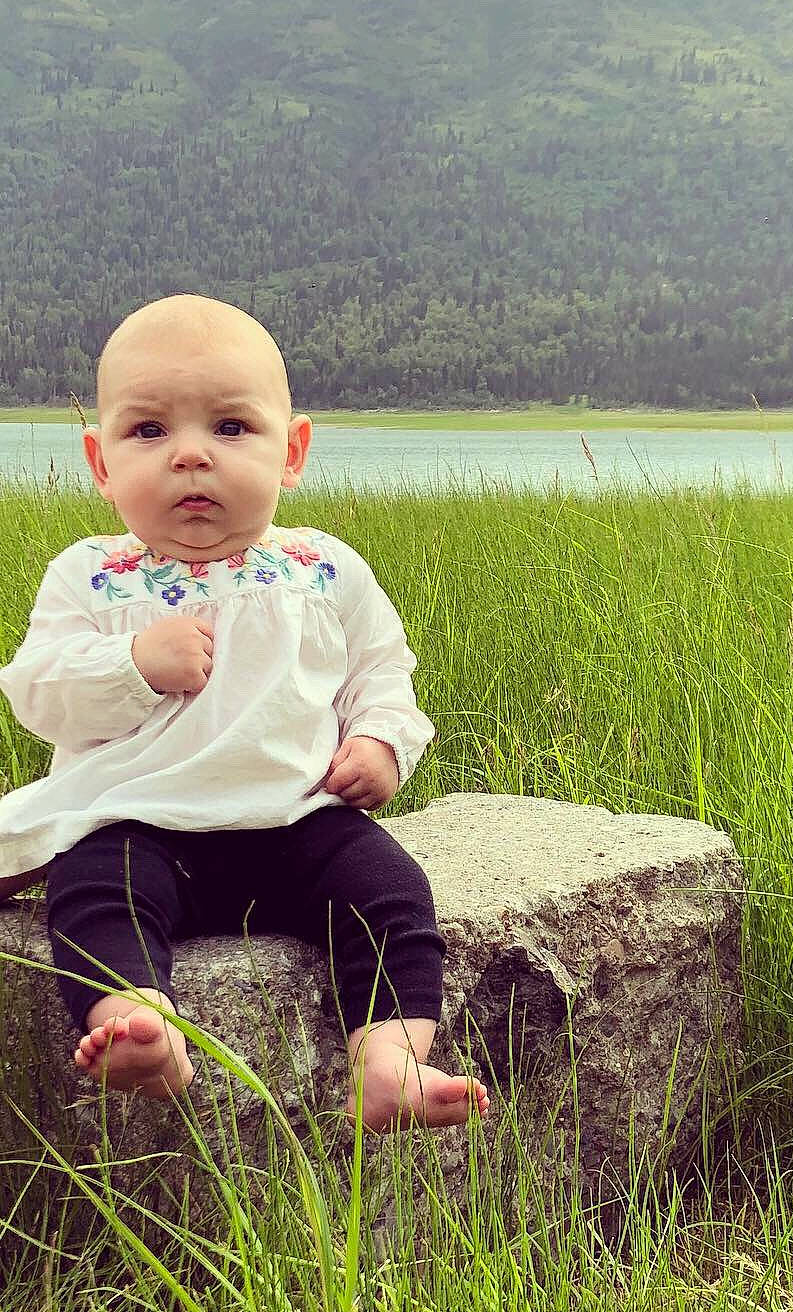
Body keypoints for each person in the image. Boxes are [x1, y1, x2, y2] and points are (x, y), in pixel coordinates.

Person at [0, 294, 488, 1131]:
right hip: (142, 824)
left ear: (291, 450)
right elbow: (39, 692)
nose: (191, 456)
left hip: (297, 822)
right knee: (92, 895)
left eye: (231, 428)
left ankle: (391, 1061)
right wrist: (133, 665)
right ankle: (138, 1023)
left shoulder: (323, 569)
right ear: (100, 461)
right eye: (149, 431)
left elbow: (382, 670)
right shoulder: (92, 577)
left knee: (391, 892)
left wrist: (380, 741)